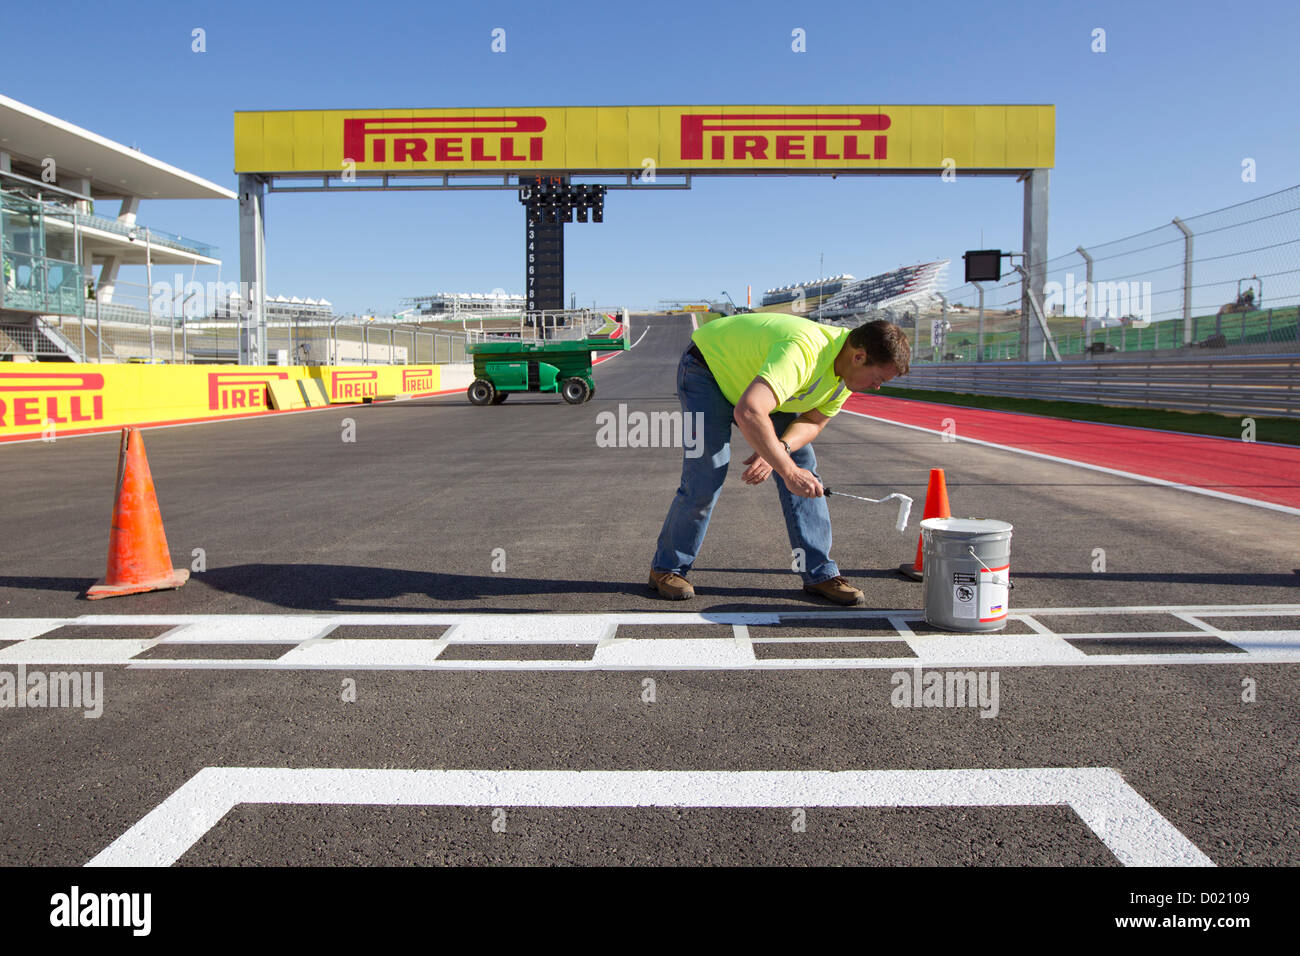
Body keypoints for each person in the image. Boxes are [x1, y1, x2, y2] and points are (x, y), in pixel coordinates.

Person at [648, 313, 910, 605]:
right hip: (708, 369)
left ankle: (819, 572)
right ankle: (667, 568)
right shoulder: (804, 351)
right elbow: (749, 411)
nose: (877, 387)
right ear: (859, 357)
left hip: (762, 386)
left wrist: (781, 452)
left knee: (805, 471)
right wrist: (787, 471)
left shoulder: (845, 377)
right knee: (707, 472)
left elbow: (813, 421)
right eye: (878, 379)